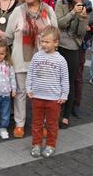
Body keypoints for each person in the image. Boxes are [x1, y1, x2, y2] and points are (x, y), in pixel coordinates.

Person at [6, 0, 58, 138]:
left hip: (43, 60)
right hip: (21, 58)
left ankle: (40, 124)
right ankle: (19, 124)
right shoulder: (18, 11)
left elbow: (55, 33)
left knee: (41, 93)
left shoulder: (48, 11)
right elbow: (8, 34)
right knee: (21, 92)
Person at [27, 26, 68, 158]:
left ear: (56, 43)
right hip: (37, 96)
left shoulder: (61, 60)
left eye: (47, 42)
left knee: (52, 124)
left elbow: (65, 79)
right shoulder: (36, 57)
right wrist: (29, 88)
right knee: (37, 123)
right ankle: (36, 144)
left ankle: (51, 145)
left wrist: (64, 94)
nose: (43, 44)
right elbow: (30, 74)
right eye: (42, 41)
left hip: (53, 98)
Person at [55, 0, 89, 125]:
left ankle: (66, 114)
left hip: (73, 47)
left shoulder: (85, 8)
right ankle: (55, 111)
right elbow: (59, 23)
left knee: (69, 81)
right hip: (59, 45)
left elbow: (81, 33)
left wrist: (82, 18)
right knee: (56, 80)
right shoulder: (61, 3)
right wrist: (73, 13)